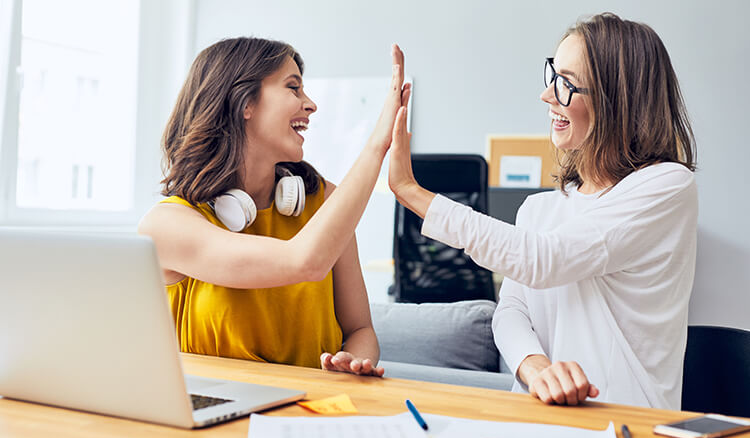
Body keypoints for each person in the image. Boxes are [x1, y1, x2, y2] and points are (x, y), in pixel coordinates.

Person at [388, 13, 696, 409]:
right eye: (552, 76)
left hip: (625, 423)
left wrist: (410, 191)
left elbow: (546, 259)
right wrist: (536, 369)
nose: (548, 95)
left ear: (616, 99)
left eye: (567, 84)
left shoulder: (666, 186)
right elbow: (512, 310)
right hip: (539, 417)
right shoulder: (540, 208)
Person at [138, 37, 411, 377]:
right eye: (293, 87)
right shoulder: (166, 226)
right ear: (244, 103)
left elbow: (360, 330)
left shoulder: (322, 200)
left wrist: (352, 362)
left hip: (311, 413)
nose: (310, 104)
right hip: (212, 417)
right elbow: (305, 262)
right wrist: (377, 146)